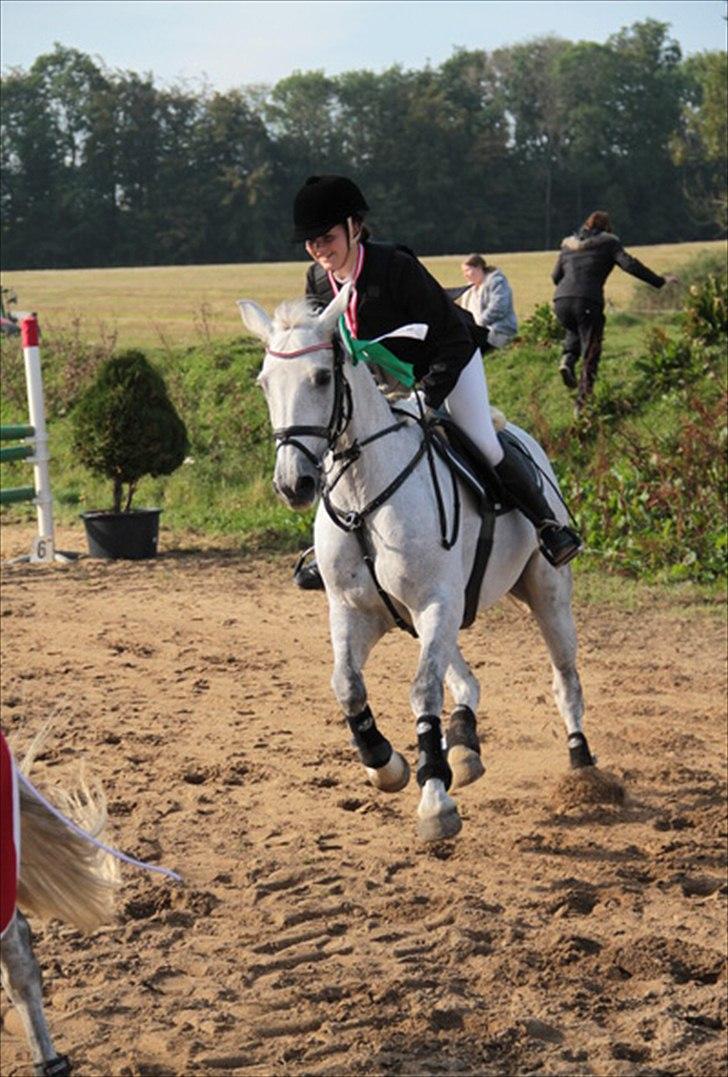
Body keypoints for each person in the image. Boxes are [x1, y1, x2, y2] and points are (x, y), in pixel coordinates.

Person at [291, 174, 581, 590]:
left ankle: (548, 526)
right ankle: (329, 550)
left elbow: (454, 339)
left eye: (327, 238)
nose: (320, 251)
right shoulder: (318, 281)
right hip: (379, 381)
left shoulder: (395, 268)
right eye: (312, 242)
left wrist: (426, 398)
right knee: (338, 446)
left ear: (354, 227)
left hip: (446, 363)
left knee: (479, 437)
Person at [552, 211, 678, 411]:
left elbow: (555, 275)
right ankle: (583, 403)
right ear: (607, 228)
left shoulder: (568, 245)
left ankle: (567, 358)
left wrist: (567, 292)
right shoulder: (609, 243)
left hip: (561, 300)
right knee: (591, 350)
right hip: (588, 300)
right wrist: (660, 281)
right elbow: (630, 265)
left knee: (575, 326)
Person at [456, 254, 518, 351]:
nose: (465, 275)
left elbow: (499, 308)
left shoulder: (497, 282)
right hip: (476, 332)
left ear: (479, 268)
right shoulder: (469, 289)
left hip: (498, 331)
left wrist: (478, 324)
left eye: (467, 270)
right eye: (464, 272)